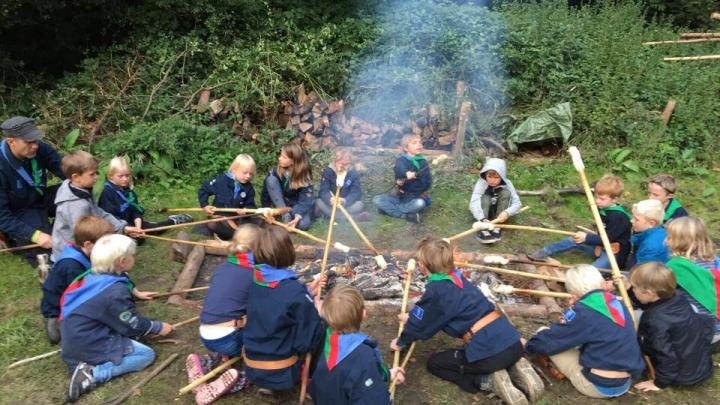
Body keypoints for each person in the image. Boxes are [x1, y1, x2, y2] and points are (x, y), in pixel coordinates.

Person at [391, 238, 543, 404]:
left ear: (421, 265)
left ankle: (487, 381)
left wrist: (401, 341)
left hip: (490, 355)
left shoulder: (437, 290)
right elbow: (433, 313)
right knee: (497, 353)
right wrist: (412, 317)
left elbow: (421, 324)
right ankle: (515, 366)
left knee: (435, 363)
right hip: (514, 343)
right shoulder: (458, 278)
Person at [60, 234, 173, 402]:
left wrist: (136, 294)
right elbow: (131, 324)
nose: (134, 258)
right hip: (88, 343)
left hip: (76, 336)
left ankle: (85, 361)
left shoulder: (93, 276)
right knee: (145, 355)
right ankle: (91, 374)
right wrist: (157, 327)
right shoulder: (114, 293)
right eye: (132, 256)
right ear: (122, 261)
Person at [524, 264, 645, 398]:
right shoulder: (616, 301)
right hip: (626, 381)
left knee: (545, 333)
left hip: (598, 386)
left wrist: (528, 345)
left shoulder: (583, 312)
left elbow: (551, 340)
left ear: (574, 293)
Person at [242, 225, 325, 392]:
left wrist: (306, 292)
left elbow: (278, 302)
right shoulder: (295, 292)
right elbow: (306, 342)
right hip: (283, 373)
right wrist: (318, 310)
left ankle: (266, 382)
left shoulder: (255, 282)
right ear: (288, 252)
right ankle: (311, 378)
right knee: (322, 327)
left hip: (251, 367)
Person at [185, 224, 259, 404]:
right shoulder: (254, 273)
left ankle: (207, 361)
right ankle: (238, 379)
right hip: (228, 337)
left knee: (235, 321)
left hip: (206, 333)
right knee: (262, 334)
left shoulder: (223, 267)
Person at [310, 284, 405, 404]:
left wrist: (387, 374)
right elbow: (375, 399)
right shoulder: (363, 355)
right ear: (364, 314)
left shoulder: (323, 340)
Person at [628, 262, 714, 392]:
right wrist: (629, 290)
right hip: (700, 366)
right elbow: (647, 303)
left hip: (684, 376)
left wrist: (659, 383)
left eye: (634, 288)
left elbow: (665, 354)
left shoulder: (654, 320)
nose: (632, 290)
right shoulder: (677, 296)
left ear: (649, 293)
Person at [51, 151, 142, 261]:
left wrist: (122, 227)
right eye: (92, 174)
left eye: (96, 173)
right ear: (76, 177)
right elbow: (83, 236)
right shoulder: (75, 206)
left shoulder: (82, 189)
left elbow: (99, 213)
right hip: (71, 256)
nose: (96, 177)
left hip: (85, 244)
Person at [529, 175, 631, 270]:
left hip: (614, 254)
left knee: (592, 272)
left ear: (615, 199)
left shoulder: (619, 217)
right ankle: (543, 252)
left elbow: (607, 238)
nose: (597, 201)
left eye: (602, 199)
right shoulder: (605, 208)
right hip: (601, 244)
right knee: (574, 240)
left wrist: (587, 238)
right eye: (596, 197)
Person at [40, 216, 115, 344]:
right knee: (59, 336)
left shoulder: (88, 252)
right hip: (58, 303)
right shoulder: (72, 266)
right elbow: (80, 296)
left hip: (74, 291)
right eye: (106, 243)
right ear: (88, 244)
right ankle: (53, 320)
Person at [0, 116, 65, 263]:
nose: (35, 145)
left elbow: (65, 170)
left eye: (35, 140)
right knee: (47, 252)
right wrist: (36, 235)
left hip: (40, 197)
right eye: (29, 142)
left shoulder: (39, 148)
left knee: (76, 191)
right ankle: (12, 237)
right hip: (19, 211)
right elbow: (2, 216)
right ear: (11, 141)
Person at [664, 216, 720, 350]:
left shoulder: (676, 267)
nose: (666, 241)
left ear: (682, 241)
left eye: (670, 237)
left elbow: (660, 295)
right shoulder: (716, 263)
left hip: (698, 335)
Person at [99, 156, 191, 234]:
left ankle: (173, 221)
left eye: (127, 175)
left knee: (155, 229)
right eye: (121, 176)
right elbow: (109, 219)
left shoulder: (127, 190)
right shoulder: (107, 194)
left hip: (131, 222)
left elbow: (135, 210)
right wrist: (127, 229)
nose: (125, 179)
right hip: (117, 226)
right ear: (111, 176)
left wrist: (138, 228)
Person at [373, 134, 432, 223]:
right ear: (406, 148)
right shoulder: (401, 160)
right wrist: (404, 175)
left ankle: (389, 210)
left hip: (414, 198)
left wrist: (414, 179)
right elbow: (399, 170)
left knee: (420, 203)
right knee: (377, 199)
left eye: (420, 142)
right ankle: (407, 215)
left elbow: (426, 183)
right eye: (414, 143)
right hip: (400, 197)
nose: (419, 144)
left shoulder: (423, 162)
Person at [198, 154, 257, 240]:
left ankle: (237, 234)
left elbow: (251, 205)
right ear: (234, 169)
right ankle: (238, 235)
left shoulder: (248, 188)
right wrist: (205, 205)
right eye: (245, 173)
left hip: (238, 219)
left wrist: (246, 210)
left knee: (256, 222)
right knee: (213, 223)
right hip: (222, 217)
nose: (248, 176)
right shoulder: (221, 181)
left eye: (250, 174)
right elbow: (204, 189)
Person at [260, 144, 314, 230]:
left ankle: (291, 216)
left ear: (293, 161)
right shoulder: (275, 171)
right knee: (271, 180)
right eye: (280, 155)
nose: (279, 158)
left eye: (284, 157)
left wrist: (297, 217)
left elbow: (306, 199)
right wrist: (266, 210)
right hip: (280, 202)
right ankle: (285, 215)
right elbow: (266, 192)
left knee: (304, 224)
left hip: (295, 204)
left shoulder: (304, 176)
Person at [468, 158, 522, 244]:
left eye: (496, 177)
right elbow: (474, 202)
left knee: (506, 193)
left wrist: (507, 212)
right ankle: (482, 228)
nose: (492, 180)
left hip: (499, 213)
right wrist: (481, 218)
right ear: (485, 175)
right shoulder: (481, 183)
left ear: (502, 176)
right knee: (485, 197)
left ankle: (498, 226)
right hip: (484, 212)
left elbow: (517, 203)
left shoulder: (507, 184)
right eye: (489, 177)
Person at [315, 148, 369, 221]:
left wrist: (344, 200)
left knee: (359, 205)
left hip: (346, 204)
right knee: (319, 202)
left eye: (347, 164)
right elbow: (323, 190)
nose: (344, 167)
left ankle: (329, 215)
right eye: (341, 164)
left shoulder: (353, 173)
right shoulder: (328, 171)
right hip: (331, 203)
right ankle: (354, 218)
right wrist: (330, 199)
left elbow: (356, 193)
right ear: (335, 162)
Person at [626, 199, 669, 268]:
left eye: (636, 219)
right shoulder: (657, 232)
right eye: (632, 217)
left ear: (651, 223)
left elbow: (643, 275)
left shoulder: (651, 247)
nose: (631, 221)